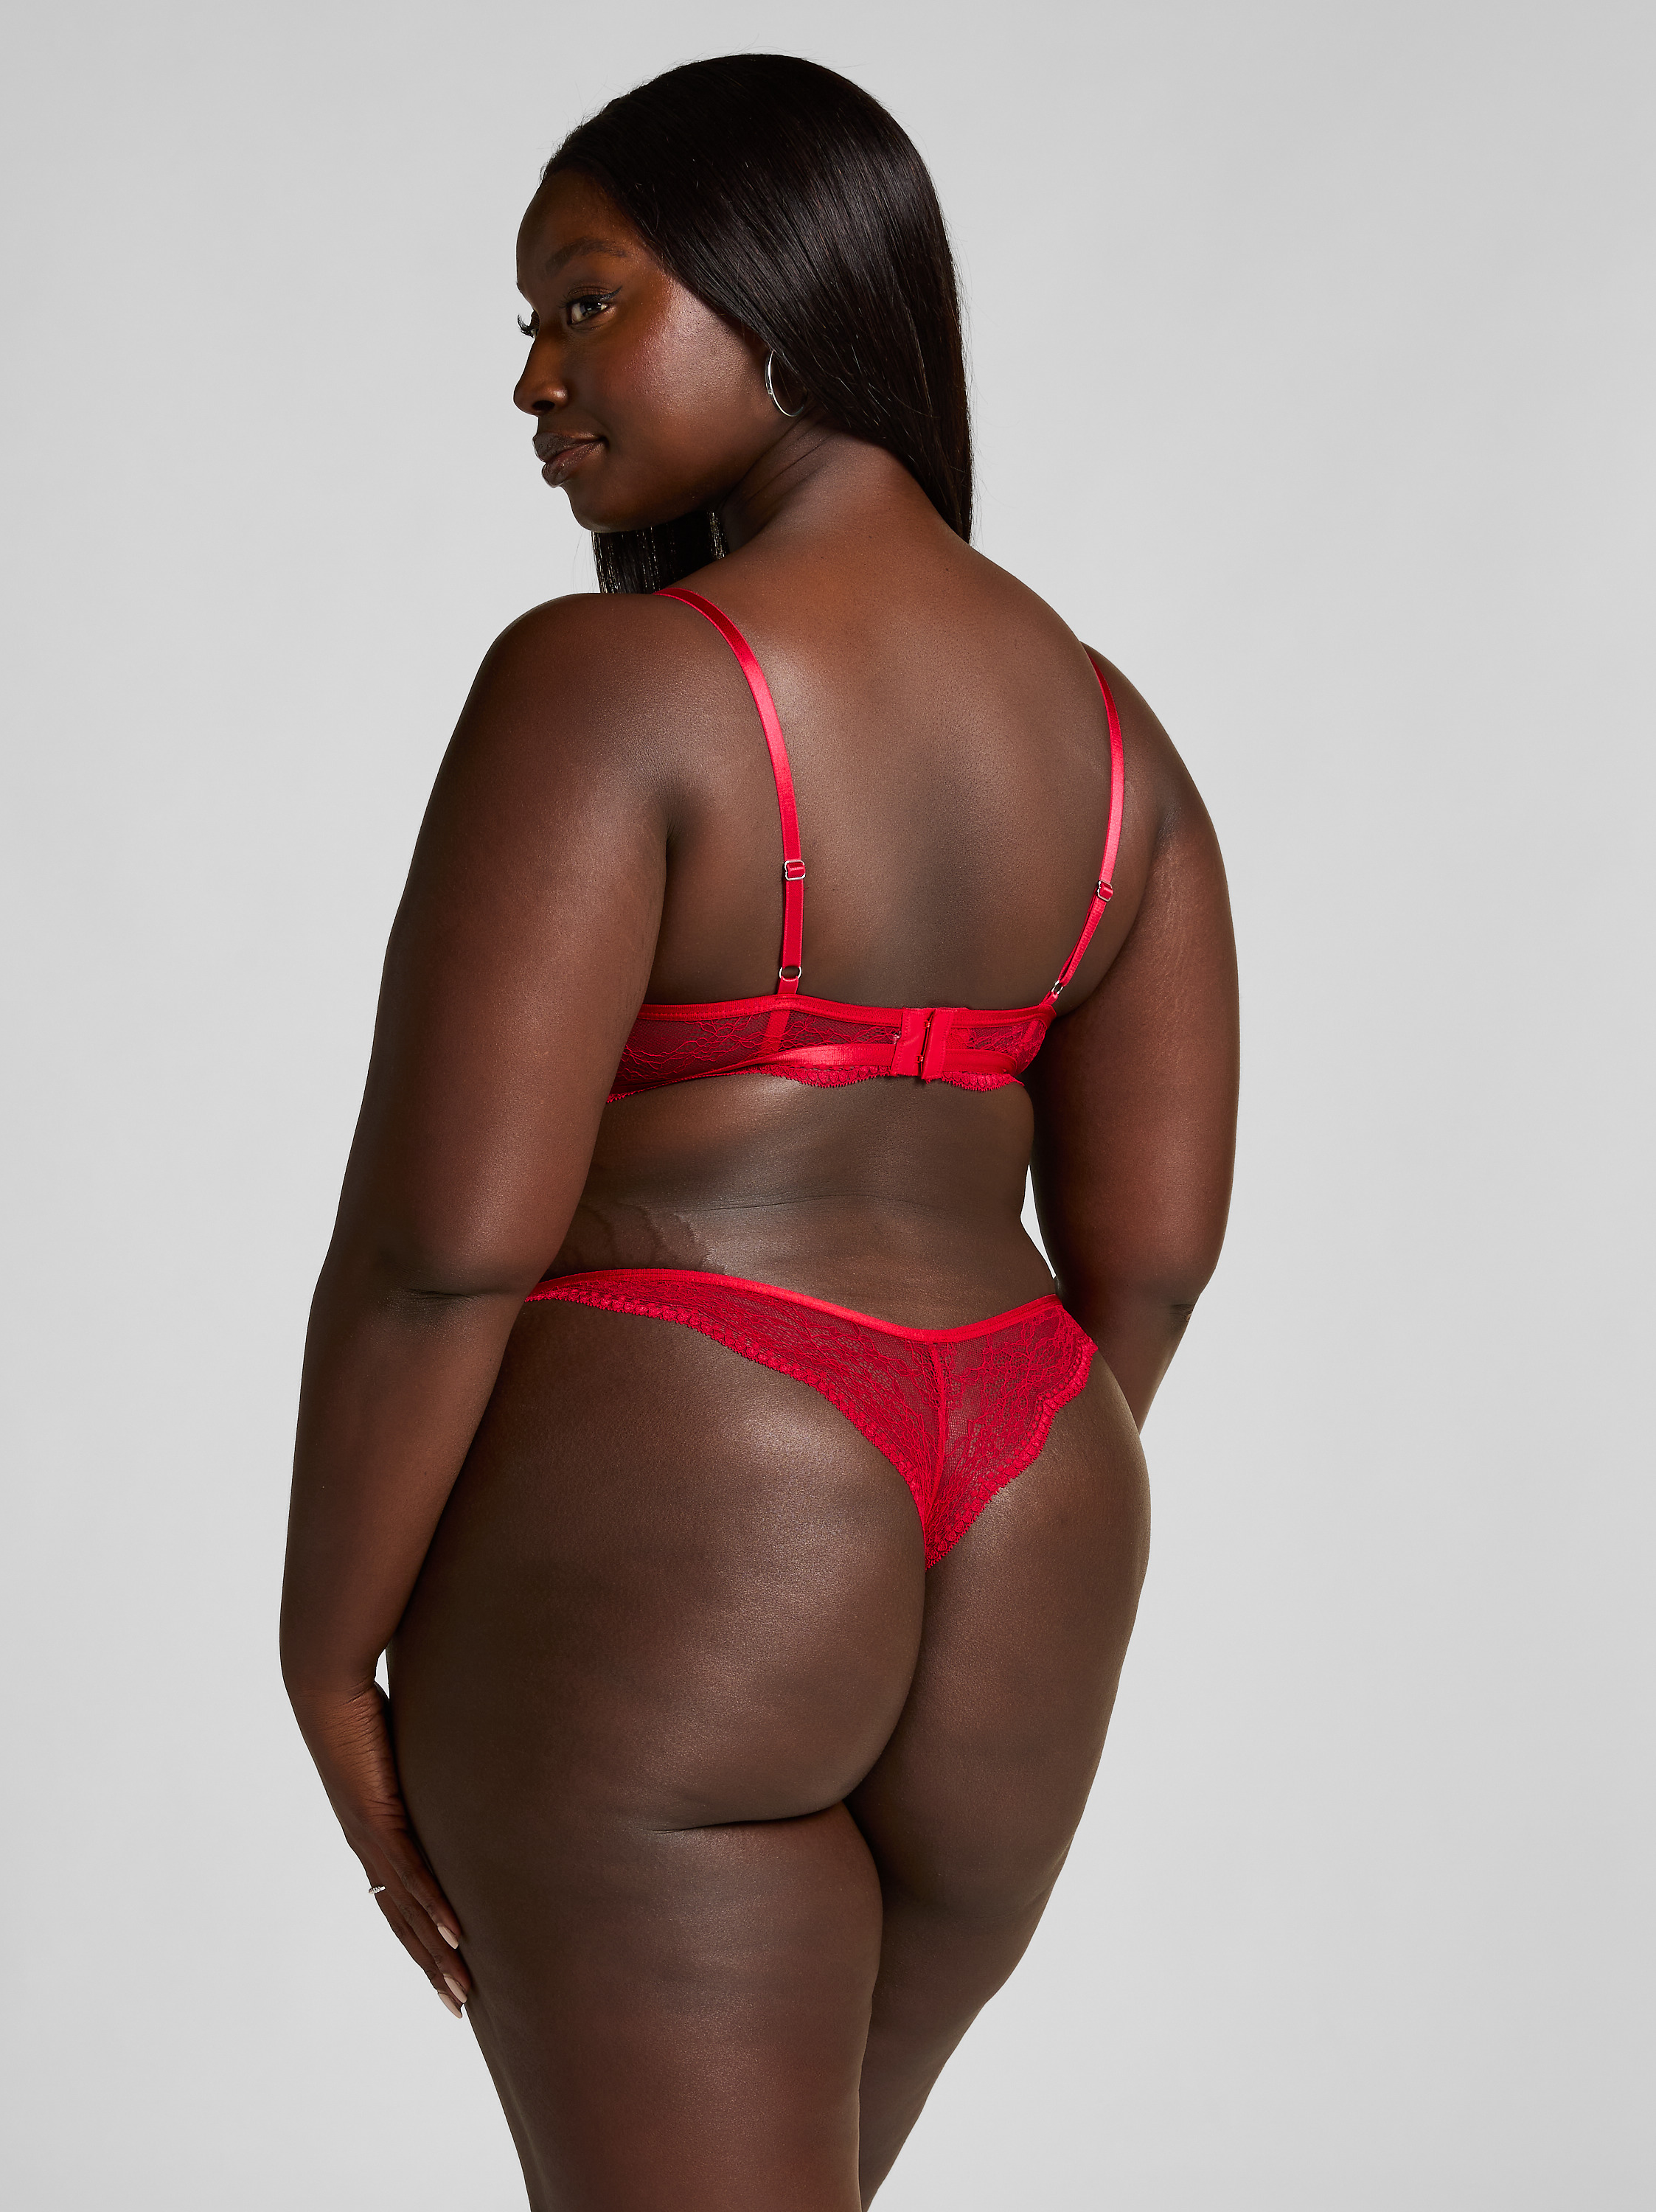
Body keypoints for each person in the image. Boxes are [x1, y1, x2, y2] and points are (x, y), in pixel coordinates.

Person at [281, 52, 1238, 2210]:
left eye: (586, 302)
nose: (533, 379)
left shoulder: (611, 687)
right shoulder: (1115, 738)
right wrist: (963, 1478)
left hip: (689, 1501)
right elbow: (1158, 1257)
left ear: (781, 298)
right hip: (1035, 1514)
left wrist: (325, 1644)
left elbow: (446, 1247)